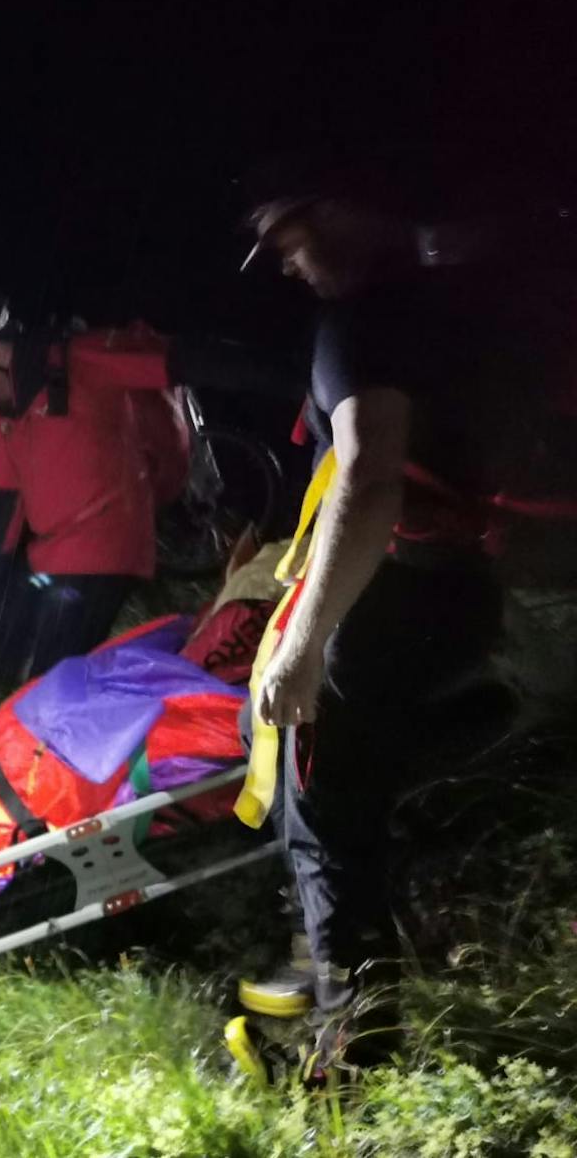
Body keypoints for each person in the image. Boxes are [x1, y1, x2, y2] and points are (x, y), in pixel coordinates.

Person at [239, 177, 536, 1070]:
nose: (288, 266)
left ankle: (351, 1050)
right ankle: (334, 975)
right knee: (346, 799)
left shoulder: (360, 323)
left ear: (340, 207)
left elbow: (368, 480)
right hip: (471, 586)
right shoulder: (451, 302)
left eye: (289, 240)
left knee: (325, 806)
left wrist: (304, 641)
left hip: (400, 595)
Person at [0, 292, 190, 683]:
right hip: (54, 553)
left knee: (49, 684)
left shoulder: (80, 359)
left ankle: (67, 716)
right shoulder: (4, 411)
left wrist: (290, 375)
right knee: (3, 649)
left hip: (107, 541)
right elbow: (2, 504)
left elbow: (175, 359)